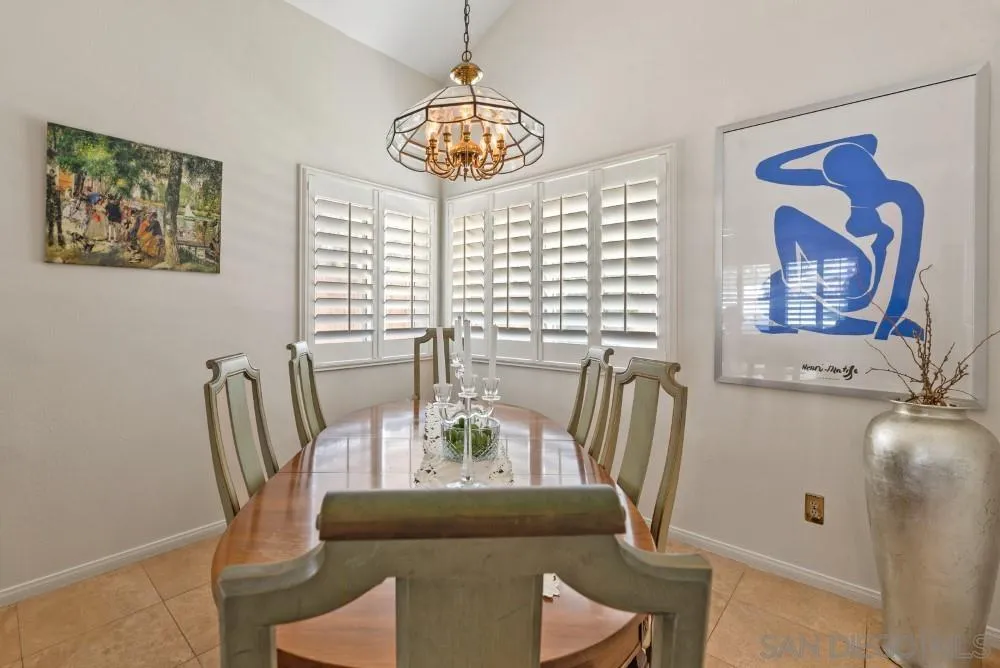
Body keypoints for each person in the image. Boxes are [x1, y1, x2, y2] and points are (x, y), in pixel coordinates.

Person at [754, 134, 924, 340]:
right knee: (770, 288)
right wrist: (837, 145)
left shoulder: (900, 199)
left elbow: (902, 272)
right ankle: (794, 284)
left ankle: (798, 291)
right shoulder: (850, 183)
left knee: (774, 300)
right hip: (848, 279)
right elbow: (767, 170)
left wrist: (884, 328)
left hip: (864, 294)